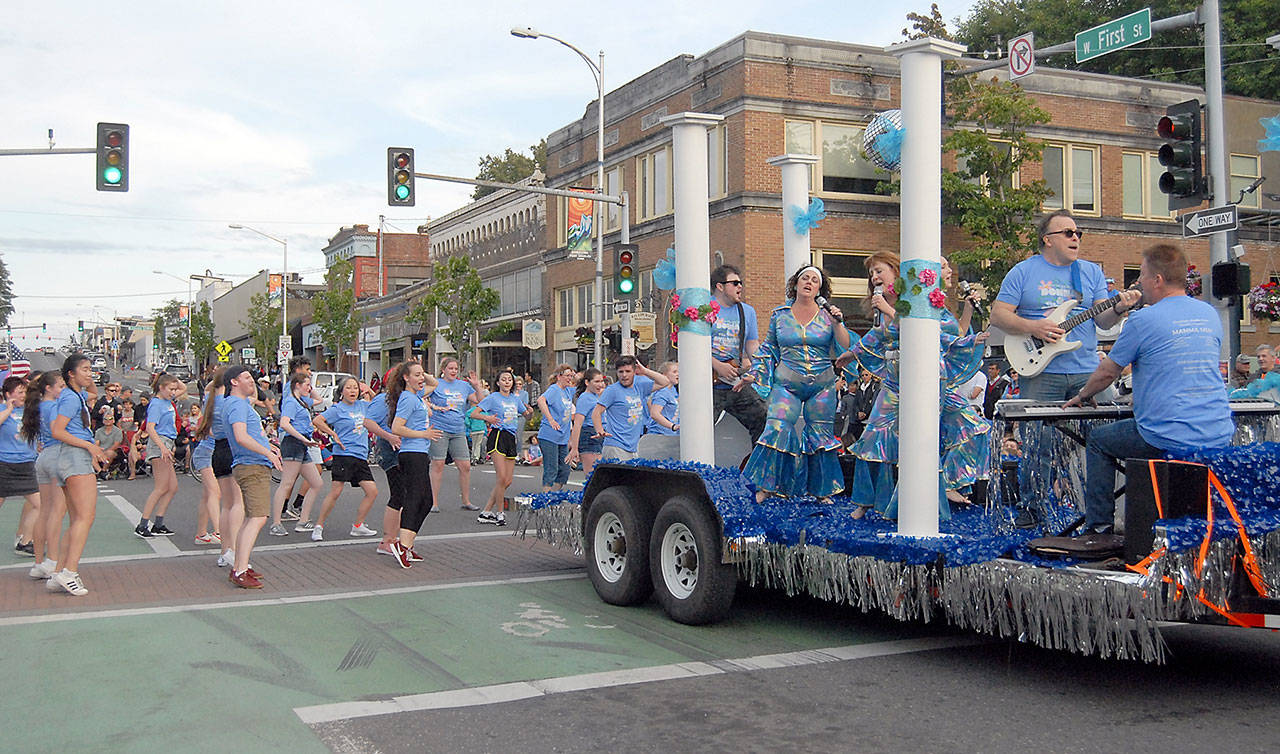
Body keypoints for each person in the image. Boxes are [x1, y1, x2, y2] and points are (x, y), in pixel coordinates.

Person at [1064, 244, 1233, 539]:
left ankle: (1098, 528)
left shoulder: (1143, 319)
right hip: (1218, 431)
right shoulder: (1208, 314)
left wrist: (1082, 395)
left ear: (1157, 280)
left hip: (1166, 434)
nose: (1138, 282)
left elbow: (1107, 372)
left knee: (1099, 441)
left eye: (1141, 275)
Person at [990, 210, 1141, 523]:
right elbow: (999, 315)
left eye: (1078, 233)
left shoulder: (1089, 273)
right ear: (1047, 239)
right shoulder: (1023, 271)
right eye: (1068, 232)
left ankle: (1103, 512)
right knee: (1037, 445)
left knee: (1106, 436)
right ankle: (1032, 509)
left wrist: (1120, 308)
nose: (1075, 238)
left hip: (1087, 369)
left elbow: (1103, 319)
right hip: (1042, 370)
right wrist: (1034, 328)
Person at [842, 253, 986, 518]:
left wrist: (969, 317)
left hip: (928, 377)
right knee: (875, 435)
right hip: (896, 381)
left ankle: (945, 485)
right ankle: (867, 501)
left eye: (879, 271)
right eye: (872, 273)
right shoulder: (883, 307)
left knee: (962, 428)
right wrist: (849, 355)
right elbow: (875, 336)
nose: (874, 277)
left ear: (896, 272)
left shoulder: (918, 300)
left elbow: (936, 332)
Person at [741, 265, 851, 503]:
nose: (809, 282)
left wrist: (837, 323)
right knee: (777, 427)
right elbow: (769, 347)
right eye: (805, 278)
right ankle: (768, 486)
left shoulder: (827, 315)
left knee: (820, 436)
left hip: (822, 385)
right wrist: (755, 372)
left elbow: (845, 344)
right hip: (787, 384)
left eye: (814, 280)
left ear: (820, 288)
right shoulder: (779, 314)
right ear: (796, 283)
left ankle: (821, 491)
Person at [45, 354, 110, 596]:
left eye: (91, 369)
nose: (90, 373)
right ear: (70, 373)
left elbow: (93, 391)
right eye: (84, 369)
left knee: (76, 520)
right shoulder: (71, 399)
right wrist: (89, 446)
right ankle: (69, 572)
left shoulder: (76, 396)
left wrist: (86, 378)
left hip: (69, 458)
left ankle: (60, 571)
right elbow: (57, 431)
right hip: (75, 457)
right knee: (86, 516)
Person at [223, 365, 282, 588]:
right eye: (246, 377)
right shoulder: (237, 404)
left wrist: (269, 446)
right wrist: (266, 451)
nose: (251, 381)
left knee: (250, 518)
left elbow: (251, 435)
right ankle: (240, 570)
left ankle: (240, 565)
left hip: (250, 463)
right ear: (234, 382)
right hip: (252, 466)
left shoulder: (237, 404)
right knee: (257, 517)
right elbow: (241, 436)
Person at [389, 360, 444, 568]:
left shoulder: (417, 396)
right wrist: (424, 434)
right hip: (411, 454)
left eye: (422, 375)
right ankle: (402, 545)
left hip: (420, 453)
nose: (422, 379)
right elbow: (396, 427)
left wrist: (421, 371)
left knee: (426, 501)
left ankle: (408, 544)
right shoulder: (408, 399)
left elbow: (435, 384)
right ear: (405, 378)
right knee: (414, 498)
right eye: (416, 375)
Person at [311, 377, 380, 539]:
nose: (352, 391)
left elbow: (380, 405)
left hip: (361, 456)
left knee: (372, 491)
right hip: (343, 454)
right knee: (336, 491)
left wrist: (369, 390)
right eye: (348, 388)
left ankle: (358, 525)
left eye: (355, 388)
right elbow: (317, 420)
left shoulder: (363, 405)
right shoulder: (337, 409)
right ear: (341, 391)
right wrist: (333, 434)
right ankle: (318, 526)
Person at [709, 264, 766, 443]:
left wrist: (759, 369)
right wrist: (718, 365)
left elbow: (752, 345)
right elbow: (693, 347)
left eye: (740, 283)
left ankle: (755, 465)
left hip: (735, 382)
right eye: (734, 283)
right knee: (700, 428)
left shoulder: (747, 312)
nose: (740, 286)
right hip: (708, 384)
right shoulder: (704, 308)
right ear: (720, 286)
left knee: (763, 418)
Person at [469, 371, 532, 526]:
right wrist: (488, 418)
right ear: (498, 383)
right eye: (503, 380)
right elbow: (474, 413)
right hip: (498, 436)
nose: (506, 382)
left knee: (507, 480)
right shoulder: (493, 398)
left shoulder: (515, 399)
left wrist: (530, 411)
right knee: (501, 477)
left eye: (509, 380)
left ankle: (486, 511)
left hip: (511, 437)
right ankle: (499, 513)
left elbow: (527, 415)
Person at [269, 373, 325, 537]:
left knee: (316, 482)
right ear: (297, 385)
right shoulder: (291, 402)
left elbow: (319, 400)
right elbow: (284, 424)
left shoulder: (302, 401)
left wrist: (310, 388)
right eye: (306, 384)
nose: (309, 387)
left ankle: (303, 521)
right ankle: (276, 523)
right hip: (293, 443)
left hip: (302, 444)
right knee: (287, 483)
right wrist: (302, 438)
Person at [22, 371, 65, 580]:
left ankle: (39, 562)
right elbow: (58, 431)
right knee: (57, 511)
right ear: (49, 388)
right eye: (60, 386)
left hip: (44, 457)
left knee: (45, 511)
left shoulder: (37, 406)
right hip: (57, 454)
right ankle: (53, 560)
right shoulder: (53, 407)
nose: (62, 389)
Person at [428, 358, 483, 512]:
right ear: (443, 370)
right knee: (438, 464)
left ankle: (466, 500)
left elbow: (480, 401)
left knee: (465, 466)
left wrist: (476, 386)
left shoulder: (464, 386)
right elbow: (421, 397)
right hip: (439, 428)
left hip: (458, 429)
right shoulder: (436, 384)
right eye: (450, 368)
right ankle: (433, 502)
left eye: (455, 368)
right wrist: (433, 406)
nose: (453, 371)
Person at [592, 356, 670, 462]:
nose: (624, 375)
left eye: (628, 371)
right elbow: (596, 412)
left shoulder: (639, 387)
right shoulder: (612, 390)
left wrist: (645, 371)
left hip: (633, 446)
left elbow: (665, 382)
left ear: (634, 371)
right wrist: (600, 430)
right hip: (616, 445)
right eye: (621, 372)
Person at [135, 374, 183, 538]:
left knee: (172, 487)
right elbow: (150, 427)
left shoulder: (167, 401)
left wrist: (173, 380)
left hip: (168, 442)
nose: (173, 392)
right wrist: (162, 448)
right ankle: (143, 524)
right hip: (159, 443)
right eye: (170, 389)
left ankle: (159, 523)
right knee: (161, 487)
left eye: (174, 389)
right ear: (161, 388)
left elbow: (182, 388)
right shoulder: (156, 404)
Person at [1, 376, 41, 560]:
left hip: (26, 464)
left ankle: (25, 542)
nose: (23, 395)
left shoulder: (29, 411)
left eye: (24, 391)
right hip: (5, 464)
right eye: (19, 392)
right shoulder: (3, 410)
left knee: (38, 505)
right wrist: (9, 408)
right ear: (8, 394)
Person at [190, 377, 222, 546]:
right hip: (205, 453)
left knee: (207, 494)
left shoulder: (219, 401)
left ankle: (201, 533)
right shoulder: (213, 403)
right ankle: (218, 531)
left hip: (213, 453)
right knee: (214, 493)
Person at [535, 364, 576, 492]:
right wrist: (550, 419)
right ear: (559, 377)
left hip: (562, 438)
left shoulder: (568, 391)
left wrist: (574, 374)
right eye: (567, 376)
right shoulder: (554, 389)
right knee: (551, 468)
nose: (570, 378)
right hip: (549, 436)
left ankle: (555, 494)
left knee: (564, 469)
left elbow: (582, 382)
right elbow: (541, 400)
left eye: (571, 376)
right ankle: (546, 497)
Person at [566, 368, 606, 475]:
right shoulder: (585, 398)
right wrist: (574, 448)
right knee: (591, 475)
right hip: (589, 435)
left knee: (600, 474)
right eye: (596, 382)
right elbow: (578, 424)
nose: (600, 384)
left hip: (600, 435)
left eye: (602, 381)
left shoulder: (597, 397)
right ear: (587, 382)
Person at [647, 361, 680, 436]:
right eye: (674, 372)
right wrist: (672, 426)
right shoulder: (662, 392)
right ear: (664, 375)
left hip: (670, 435)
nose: (678, 374)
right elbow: (654, 413)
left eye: (678, 371)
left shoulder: (672, 391)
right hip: (660, 435)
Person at [93, 410, 125, 478]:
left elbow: (116, 445)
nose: (108, 420)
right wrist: (98, 452)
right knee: (91, 454)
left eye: (110, 419)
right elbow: (96, 444)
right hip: (100, 451)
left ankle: (104, 470)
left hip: (113, 452)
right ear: (103, 421)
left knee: (109, 453)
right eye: (105, 419)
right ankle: (100, 472)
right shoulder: (99, 431)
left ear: (113, 420)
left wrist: (104, 453)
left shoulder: (118, 431)